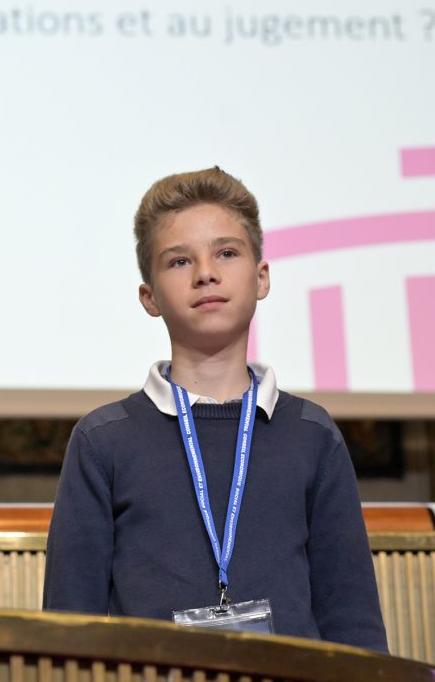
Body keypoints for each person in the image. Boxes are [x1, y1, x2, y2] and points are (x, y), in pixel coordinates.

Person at [42, 167, 386, 651]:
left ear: (261, 277)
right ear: (149, 297)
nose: (206, 272)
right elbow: (68, 625)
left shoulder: (311, 434)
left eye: (226, 253)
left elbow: (353, 619)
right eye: (179, 261)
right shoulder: (104, 441)